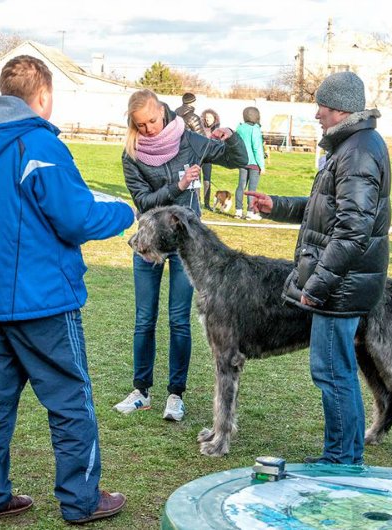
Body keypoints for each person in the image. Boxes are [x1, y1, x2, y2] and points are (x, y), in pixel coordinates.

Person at [0, 55, 133, 525]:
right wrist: (123, 213)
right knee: (71, 401)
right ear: (44, 96)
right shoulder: (39, 144)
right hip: (42, 302)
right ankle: (82, 500)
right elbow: (76, 218)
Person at [245, 71, 391, 465]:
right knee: (335, 370)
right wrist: (275, 206)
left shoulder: (358, 151)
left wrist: (319, 283)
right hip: (344, 282)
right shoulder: (352, 146)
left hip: (341, 286)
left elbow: (352, 230)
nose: (316, 114)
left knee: (332, 372)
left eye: (321, 106)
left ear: (341, 107)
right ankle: (343, 453)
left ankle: (341, 459)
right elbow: (323, 212)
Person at [116, 89, 247, 421]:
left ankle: (176, 395)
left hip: (186, 247)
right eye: (140, 125)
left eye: (151, 121)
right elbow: (145, 202)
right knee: (144, 320)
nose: (147, 129)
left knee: (179, 321)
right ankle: (140, 391)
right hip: (148, 244)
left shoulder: (190, 141)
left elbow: (237, 160)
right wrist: (177, 186)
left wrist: (230, 136)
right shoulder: (131, 154)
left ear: (162, 112)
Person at [234, 106, 265, 220]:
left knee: (241, 186)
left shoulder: (240, 128)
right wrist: (262, 165)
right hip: (254, 163)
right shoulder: (255, 129)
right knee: (252, 189)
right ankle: (250, 212)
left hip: (242, 161)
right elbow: (257, 148)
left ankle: (238, 211)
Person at [200, 108, 221, 210]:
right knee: (196, 180)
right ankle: (197, 201)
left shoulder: (217, 130)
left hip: (208, 159)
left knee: (207, 180)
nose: (208, 119)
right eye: (206, 117)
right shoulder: (199, 128)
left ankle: (206, 203)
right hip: (198, 157)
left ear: (214, 119)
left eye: (210, 117)